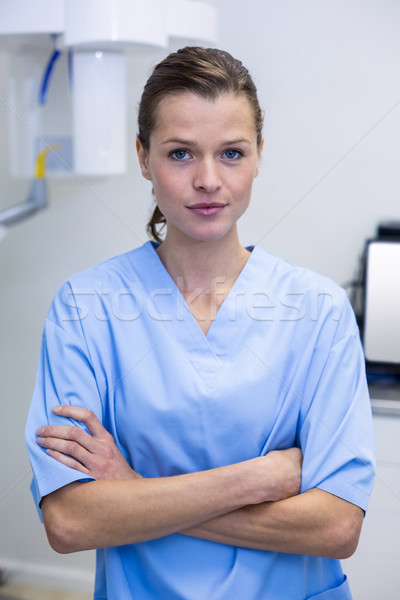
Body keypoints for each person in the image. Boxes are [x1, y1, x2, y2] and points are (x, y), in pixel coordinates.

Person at [26, 46, 375, 600]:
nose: (209, 180)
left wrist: (135, 492)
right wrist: (256, 479)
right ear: (143, 158)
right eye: (181, 153)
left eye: (232, 153)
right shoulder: (85, 307)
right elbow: (71, 522)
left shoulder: (319, 310)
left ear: (260, 153)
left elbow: (336, 527)